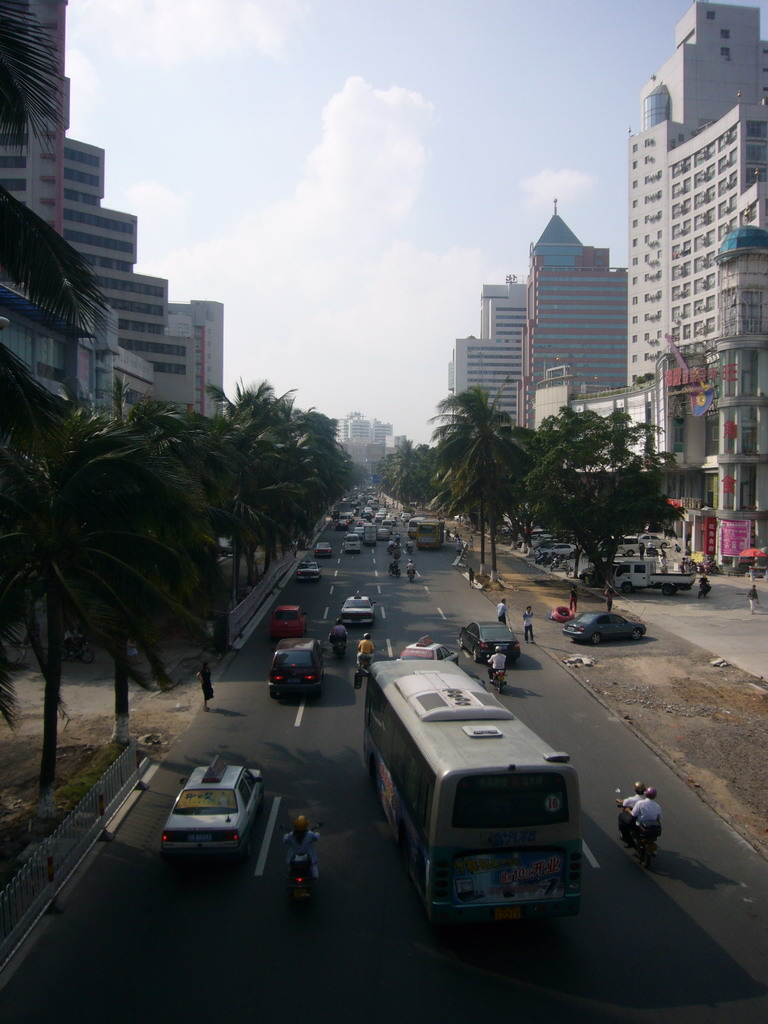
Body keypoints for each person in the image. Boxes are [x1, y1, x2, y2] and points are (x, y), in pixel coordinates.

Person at [615, 780, 646, 845]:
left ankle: (629, 842)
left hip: (636, 820)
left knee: (622, 822)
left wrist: (626, 809)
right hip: (644, 819)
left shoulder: (631, 799)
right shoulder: (646, 799)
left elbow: (625, 805)